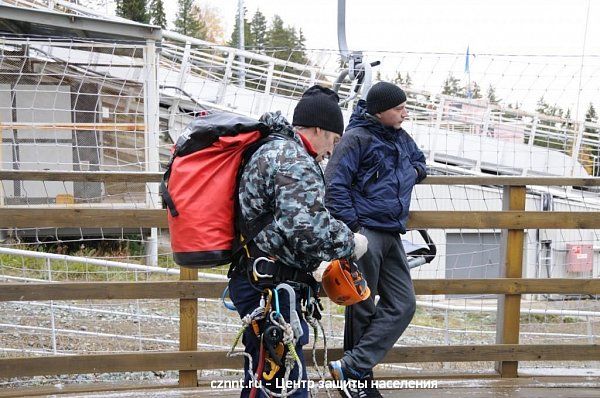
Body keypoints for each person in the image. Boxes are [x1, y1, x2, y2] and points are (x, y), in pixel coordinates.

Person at [228, 85, 369, 398]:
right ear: (318, 128)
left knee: (262, 378)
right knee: (286, 384)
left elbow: (286, 222)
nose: (331, 150)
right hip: (272, 290)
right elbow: (306, 229)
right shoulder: (293, 159)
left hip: (257, 281)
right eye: (333, 140)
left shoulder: (272, 148)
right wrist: (351, 242)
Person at [324, 81, 427, 398]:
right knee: (362, 307)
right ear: (379, 111)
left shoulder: (399, 137)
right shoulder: (355, 139)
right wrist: (355, 229)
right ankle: (359, 383)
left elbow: (420, 163)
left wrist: (409, 171)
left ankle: (353, 366)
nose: (404, 113)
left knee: (404, 304)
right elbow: (334, 187)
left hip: (393, 232)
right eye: (399, 109)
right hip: (366, 233)